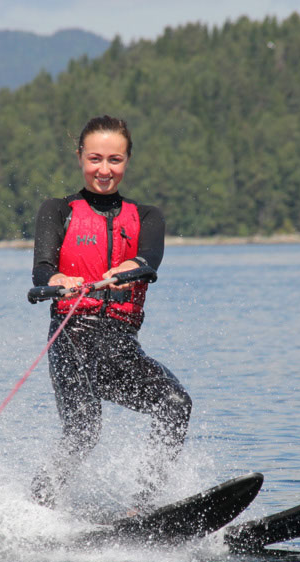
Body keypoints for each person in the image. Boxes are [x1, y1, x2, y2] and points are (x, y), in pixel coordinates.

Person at [30, 115, 192, 509]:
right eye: (95, 159)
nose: (104, 170)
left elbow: (149, 259)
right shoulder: (58, 210)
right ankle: (37, 508)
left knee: (176, 405)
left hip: (120, 348)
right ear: (80, 158)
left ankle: (144, 506)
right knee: (84, 429)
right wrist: (58, 280)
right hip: (72, 340)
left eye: (115, 160)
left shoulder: (147, 217)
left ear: (127, 161)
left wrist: (130, 267)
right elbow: (42, 271)